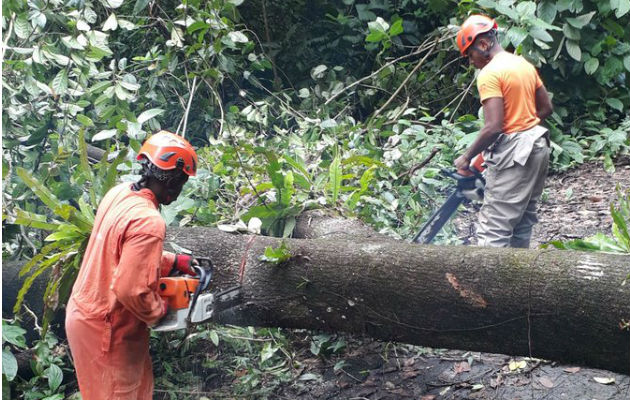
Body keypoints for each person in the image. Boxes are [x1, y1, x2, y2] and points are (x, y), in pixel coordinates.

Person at [65, 131, 199, 399]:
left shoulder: (120, 194)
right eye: (181, 183)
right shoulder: (149, 221)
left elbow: (118, 254)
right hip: (109, 328)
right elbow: (130, 289)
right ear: (173, 181)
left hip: (86, 313)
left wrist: (173, 261)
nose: (178, 190)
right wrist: (160, 311)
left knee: (136, 391)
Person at [453, 15, 554, 248]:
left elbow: (493, 127)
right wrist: (523, 129)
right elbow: (546, 108)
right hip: (537, 144)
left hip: (517, 152)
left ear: (483, 44)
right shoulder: (523, 65)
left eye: (470, 54)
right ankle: (519, 281)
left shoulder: (490, 74)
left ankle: (489, 284)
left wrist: (466, 158)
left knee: (493, 228)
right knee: (523, 219)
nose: (471, 61)